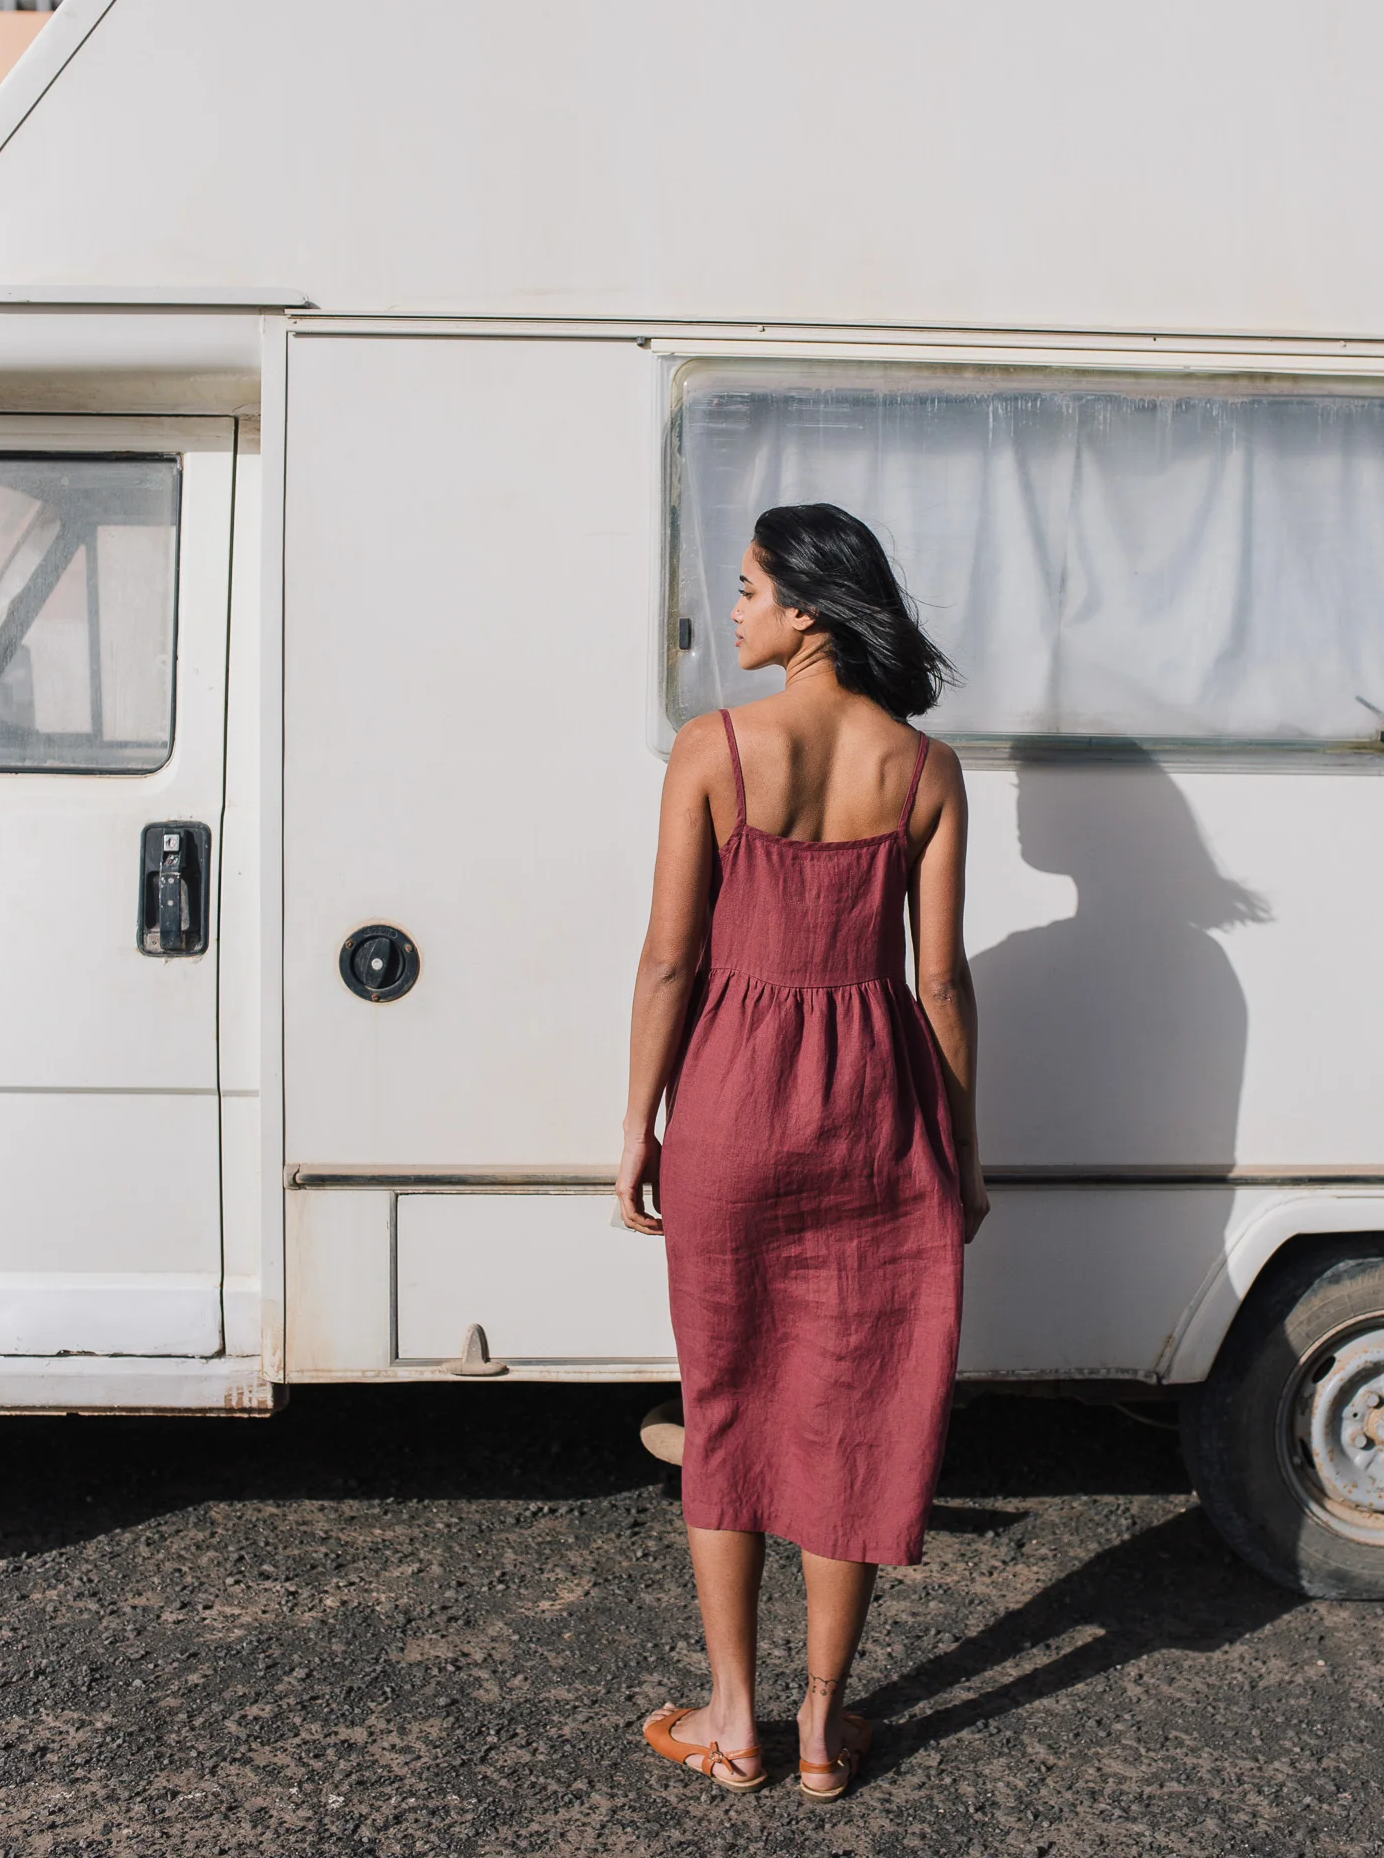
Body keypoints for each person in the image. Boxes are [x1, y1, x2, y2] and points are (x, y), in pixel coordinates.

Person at [616, 501, 988, 1801]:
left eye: (747, 588)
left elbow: (670, 958)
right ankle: (823, 1729)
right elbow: (938, 986)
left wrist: (636, 1131)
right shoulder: (924, 771)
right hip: (877, 1116)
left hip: (730, 1105)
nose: (732, 611)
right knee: (853, 1417)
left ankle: (730, 1718)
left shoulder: (714, 748)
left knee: (724, 1405)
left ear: (807, 612)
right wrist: (963, 1151)